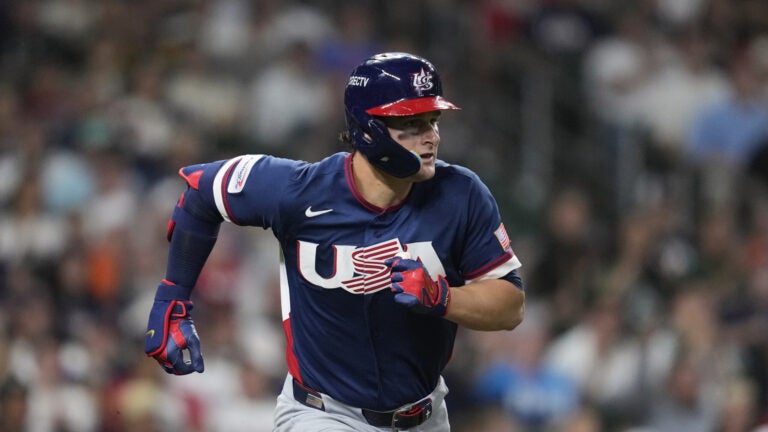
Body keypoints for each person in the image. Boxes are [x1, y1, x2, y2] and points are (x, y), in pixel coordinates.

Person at [143, 52, 526, 431]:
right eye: (412, 123)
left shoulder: (461, 193)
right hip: (322, 414)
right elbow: (200, 193)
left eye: (433, 120)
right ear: (369, 128)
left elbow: (510, 306)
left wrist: (444, 298)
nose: (432, 137)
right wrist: (172, 295)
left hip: (425, 416)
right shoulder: (298, 190)